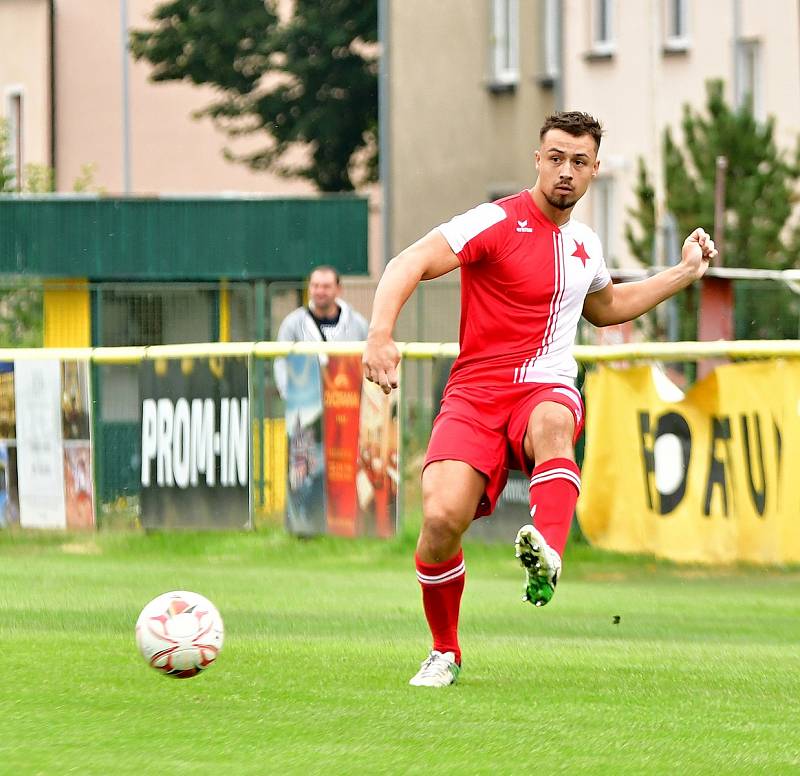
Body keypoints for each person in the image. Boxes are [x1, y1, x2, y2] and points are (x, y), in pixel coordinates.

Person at [362, 111, 717, 688]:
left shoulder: (584, 243)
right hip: (475, 393)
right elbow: (409, 262)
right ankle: (445, 651)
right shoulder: (494, 220)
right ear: (537, 159)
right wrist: (380, 333)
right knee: (440, 517)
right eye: (555, 158)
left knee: (555, 422)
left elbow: (605, 308)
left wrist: (683, 272)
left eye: (579, 162)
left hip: (545, 384)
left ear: (595, 170)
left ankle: (547, 552)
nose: (565, 172)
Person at [274, 265, 369, 396]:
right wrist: (289, 394)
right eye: (315, 286)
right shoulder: (292, 324)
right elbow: (281, 361)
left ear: (338, 289)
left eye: (326, 286)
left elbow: (370, 360)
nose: (320, 291)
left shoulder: (358, 324)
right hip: (306, 404)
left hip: (348, 403)